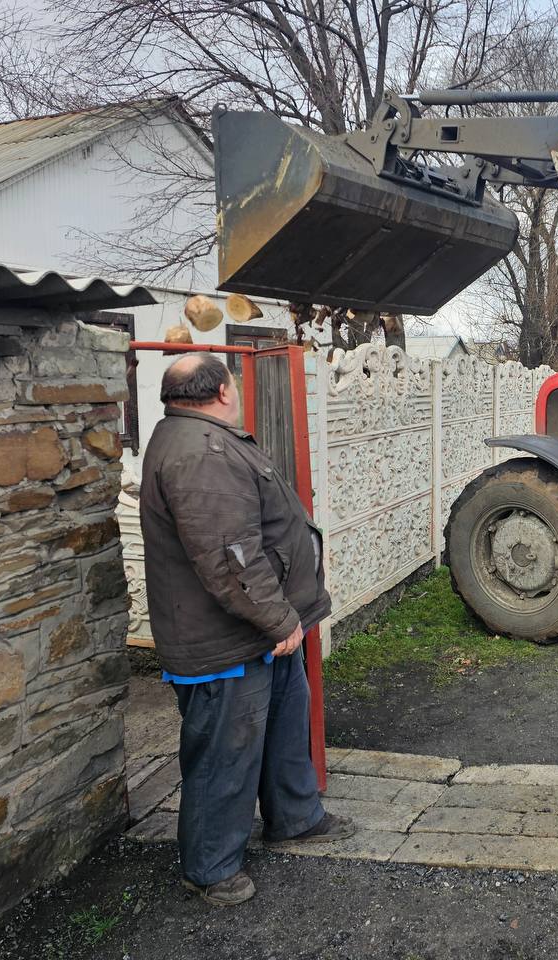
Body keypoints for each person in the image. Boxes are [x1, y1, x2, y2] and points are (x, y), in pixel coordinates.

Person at [140, 353, 353, 906]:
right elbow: (228, 556)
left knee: (284, 730)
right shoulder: (200, 452)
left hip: (257, 633)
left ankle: (296, 818)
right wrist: (278, 617)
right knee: (223, 755)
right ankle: (210, 868)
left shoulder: (199, 436)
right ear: (223, 390)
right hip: (228, 641)